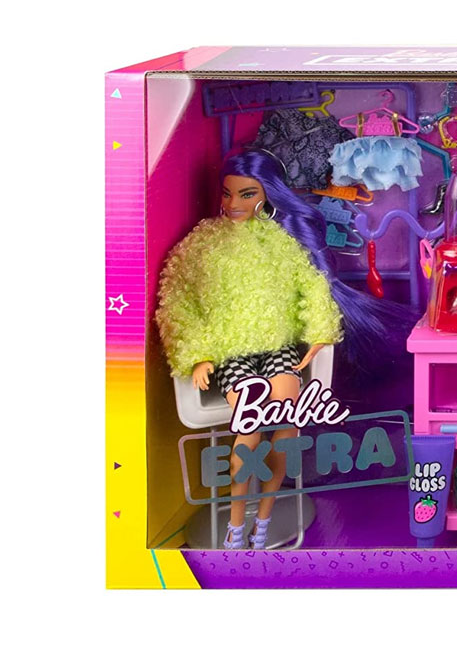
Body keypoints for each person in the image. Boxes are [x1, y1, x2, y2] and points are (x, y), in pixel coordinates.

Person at [156, 150, 413, 549]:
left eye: (246, 194)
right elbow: (176, 298)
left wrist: (320, 331)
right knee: (250, 424)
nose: (234, 203)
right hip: (232, 355)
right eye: (227, 194)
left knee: (286, 414)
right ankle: (235, 526)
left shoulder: (279, 242)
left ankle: (264, 516)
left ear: (267, 195)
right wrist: (197, 354)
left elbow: (312, 286)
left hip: (277, 350)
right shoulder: (202, 244)